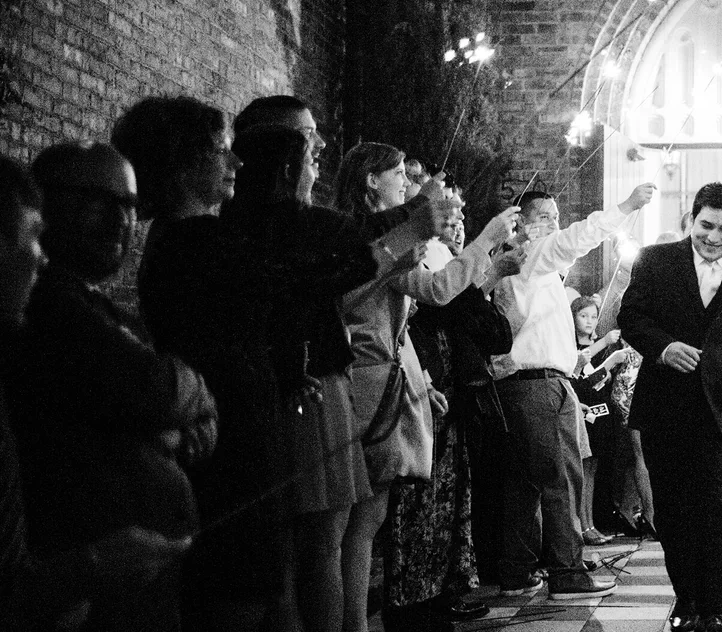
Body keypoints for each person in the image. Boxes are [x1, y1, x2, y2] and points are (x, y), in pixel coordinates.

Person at [227, 113, 458, 632]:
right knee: (320, 538)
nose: (318, 154)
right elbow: (350, 274)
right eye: (308, 147)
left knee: (333, 532)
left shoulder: (294, 224)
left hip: (325, 381)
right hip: (336, 385)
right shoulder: (281, 224)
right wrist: (417, 223)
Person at [3, 142, 215, 630]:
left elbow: (155, 402)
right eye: (102, 201)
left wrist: (174, 421)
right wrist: (187, 396)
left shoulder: (98, 308)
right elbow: (154, 390)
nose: (123, 220)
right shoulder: (49, 304)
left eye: (130, 205)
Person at [114, 95, 304, 631]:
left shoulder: (186, 240)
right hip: (231, 450)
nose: (236, 161)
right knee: (242, 598)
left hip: (231, 440)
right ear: (182, 164)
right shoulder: (200, 242)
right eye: (221, 150)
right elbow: (296, 287)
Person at [335, 141, 511, 632]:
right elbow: (437, 290)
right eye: (399, 175)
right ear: (372, 181)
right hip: (367, 382)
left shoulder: (390, 237)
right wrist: (485, 241)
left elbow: (404, 323)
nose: (408, 185)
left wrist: (423, 379)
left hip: (389, 379)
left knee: (365, 522)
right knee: (356, 525)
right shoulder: (376, 240)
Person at [490, 184, 655, 599]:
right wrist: (627, 206)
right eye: (544, 216)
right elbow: (577, 237)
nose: (554, 224)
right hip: (538, 384)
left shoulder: (530, 267)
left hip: (532, 382)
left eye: (556, 216)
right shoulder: (530, 255)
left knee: (525, 481)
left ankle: (518, 571)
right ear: (522, 223)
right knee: (561, 477)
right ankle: (567, 574)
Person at [619, 182, 722, 632]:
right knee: (671, 510)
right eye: (706, 225)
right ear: (691, 218)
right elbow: (630, 318)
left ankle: (713, 611)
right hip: (663, 406)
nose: (713, 237)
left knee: (715, 509)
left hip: (718, 414)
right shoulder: (655, 260)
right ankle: (686, 603)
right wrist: (663, 348)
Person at [571, 295, 629, 546]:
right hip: (583, 413)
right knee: (582, 472)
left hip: (601, 414)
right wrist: (607, 362)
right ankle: (582, 526)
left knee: (592, 472)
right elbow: (580, 382)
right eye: (583, 316)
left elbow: (596, 383)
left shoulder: (600, 345)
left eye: (594, 316)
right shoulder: (572, 348)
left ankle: (590, 523)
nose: (589, 321)